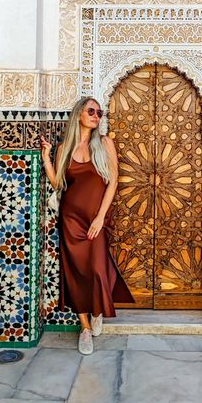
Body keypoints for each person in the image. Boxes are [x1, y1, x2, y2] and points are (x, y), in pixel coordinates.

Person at [41, 97, 134, 354]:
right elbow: (59, 183)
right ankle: (84, 328)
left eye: (99, 112)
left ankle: (97, 311)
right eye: (91, 111)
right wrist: (47, 158)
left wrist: (100, 217)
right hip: (70, 220)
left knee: (96, 270)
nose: (96, 115)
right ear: (79, 114)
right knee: (75, 273)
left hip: (95, 219)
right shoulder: (65, 149)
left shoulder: (104, 144)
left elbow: (113, 181)